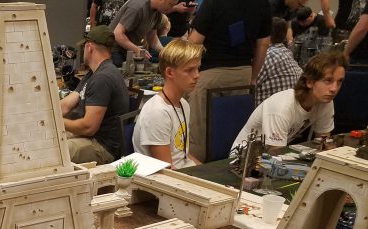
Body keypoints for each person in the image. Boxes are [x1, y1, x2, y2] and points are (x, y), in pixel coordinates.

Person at [187, 0, 272, 161]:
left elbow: (195, 41)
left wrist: (187, 71)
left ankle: (196, 171)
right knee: (234, 128)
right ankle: (232, 167)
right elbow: (263, 44)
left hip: (210, 73)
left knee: (199, 132)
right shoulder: (263, 4)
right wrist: (253, 76)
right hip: (243, 72)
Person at [231, 51, 346, 155]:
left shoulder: (325, 102)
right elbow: (274, 154)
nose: (334, 89)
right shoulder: (282, 106)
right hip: (243, 159)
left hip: (273, 155)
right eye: (328, 80)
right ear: (310, 82)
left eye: (339, 82)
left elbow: (324, 144)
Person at [60, 25, 129, 164]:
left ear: (89, 47)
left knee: (54, 152)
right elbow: (67, 104)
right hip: (90, 137)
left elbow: (88, 128)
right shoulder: (94, 73)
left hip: (102, 146)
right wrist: (45, 115)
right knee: (44, 140)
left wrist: (58, 123)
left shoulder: (102, 78)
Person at [133, 39, 203, 168]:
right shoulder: (157, 112)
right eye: (189, 70)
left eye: (198, 68)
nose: (197, 75)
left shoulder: (183, 104)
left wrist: (205, 172)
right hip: (168, 177)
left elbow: (184, 155)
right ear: (170, 72)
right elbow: (167, 170)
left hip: (183, 172)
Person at [108, 0, 185, 66]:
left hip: (128, 51)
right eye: (170, 4)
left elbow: (152, 37)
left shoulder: (158, 13)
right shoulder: (137, 7)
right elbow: (117, 34)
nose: (171, 8)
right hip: (113, 49)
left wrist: (164, 52)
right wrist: (137, 50)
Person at [255, 18, 303, 106]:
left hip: (264, 111)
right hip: (287, 110)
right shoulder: (287, 54)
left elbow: (249, 85)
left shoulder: (267, 56)